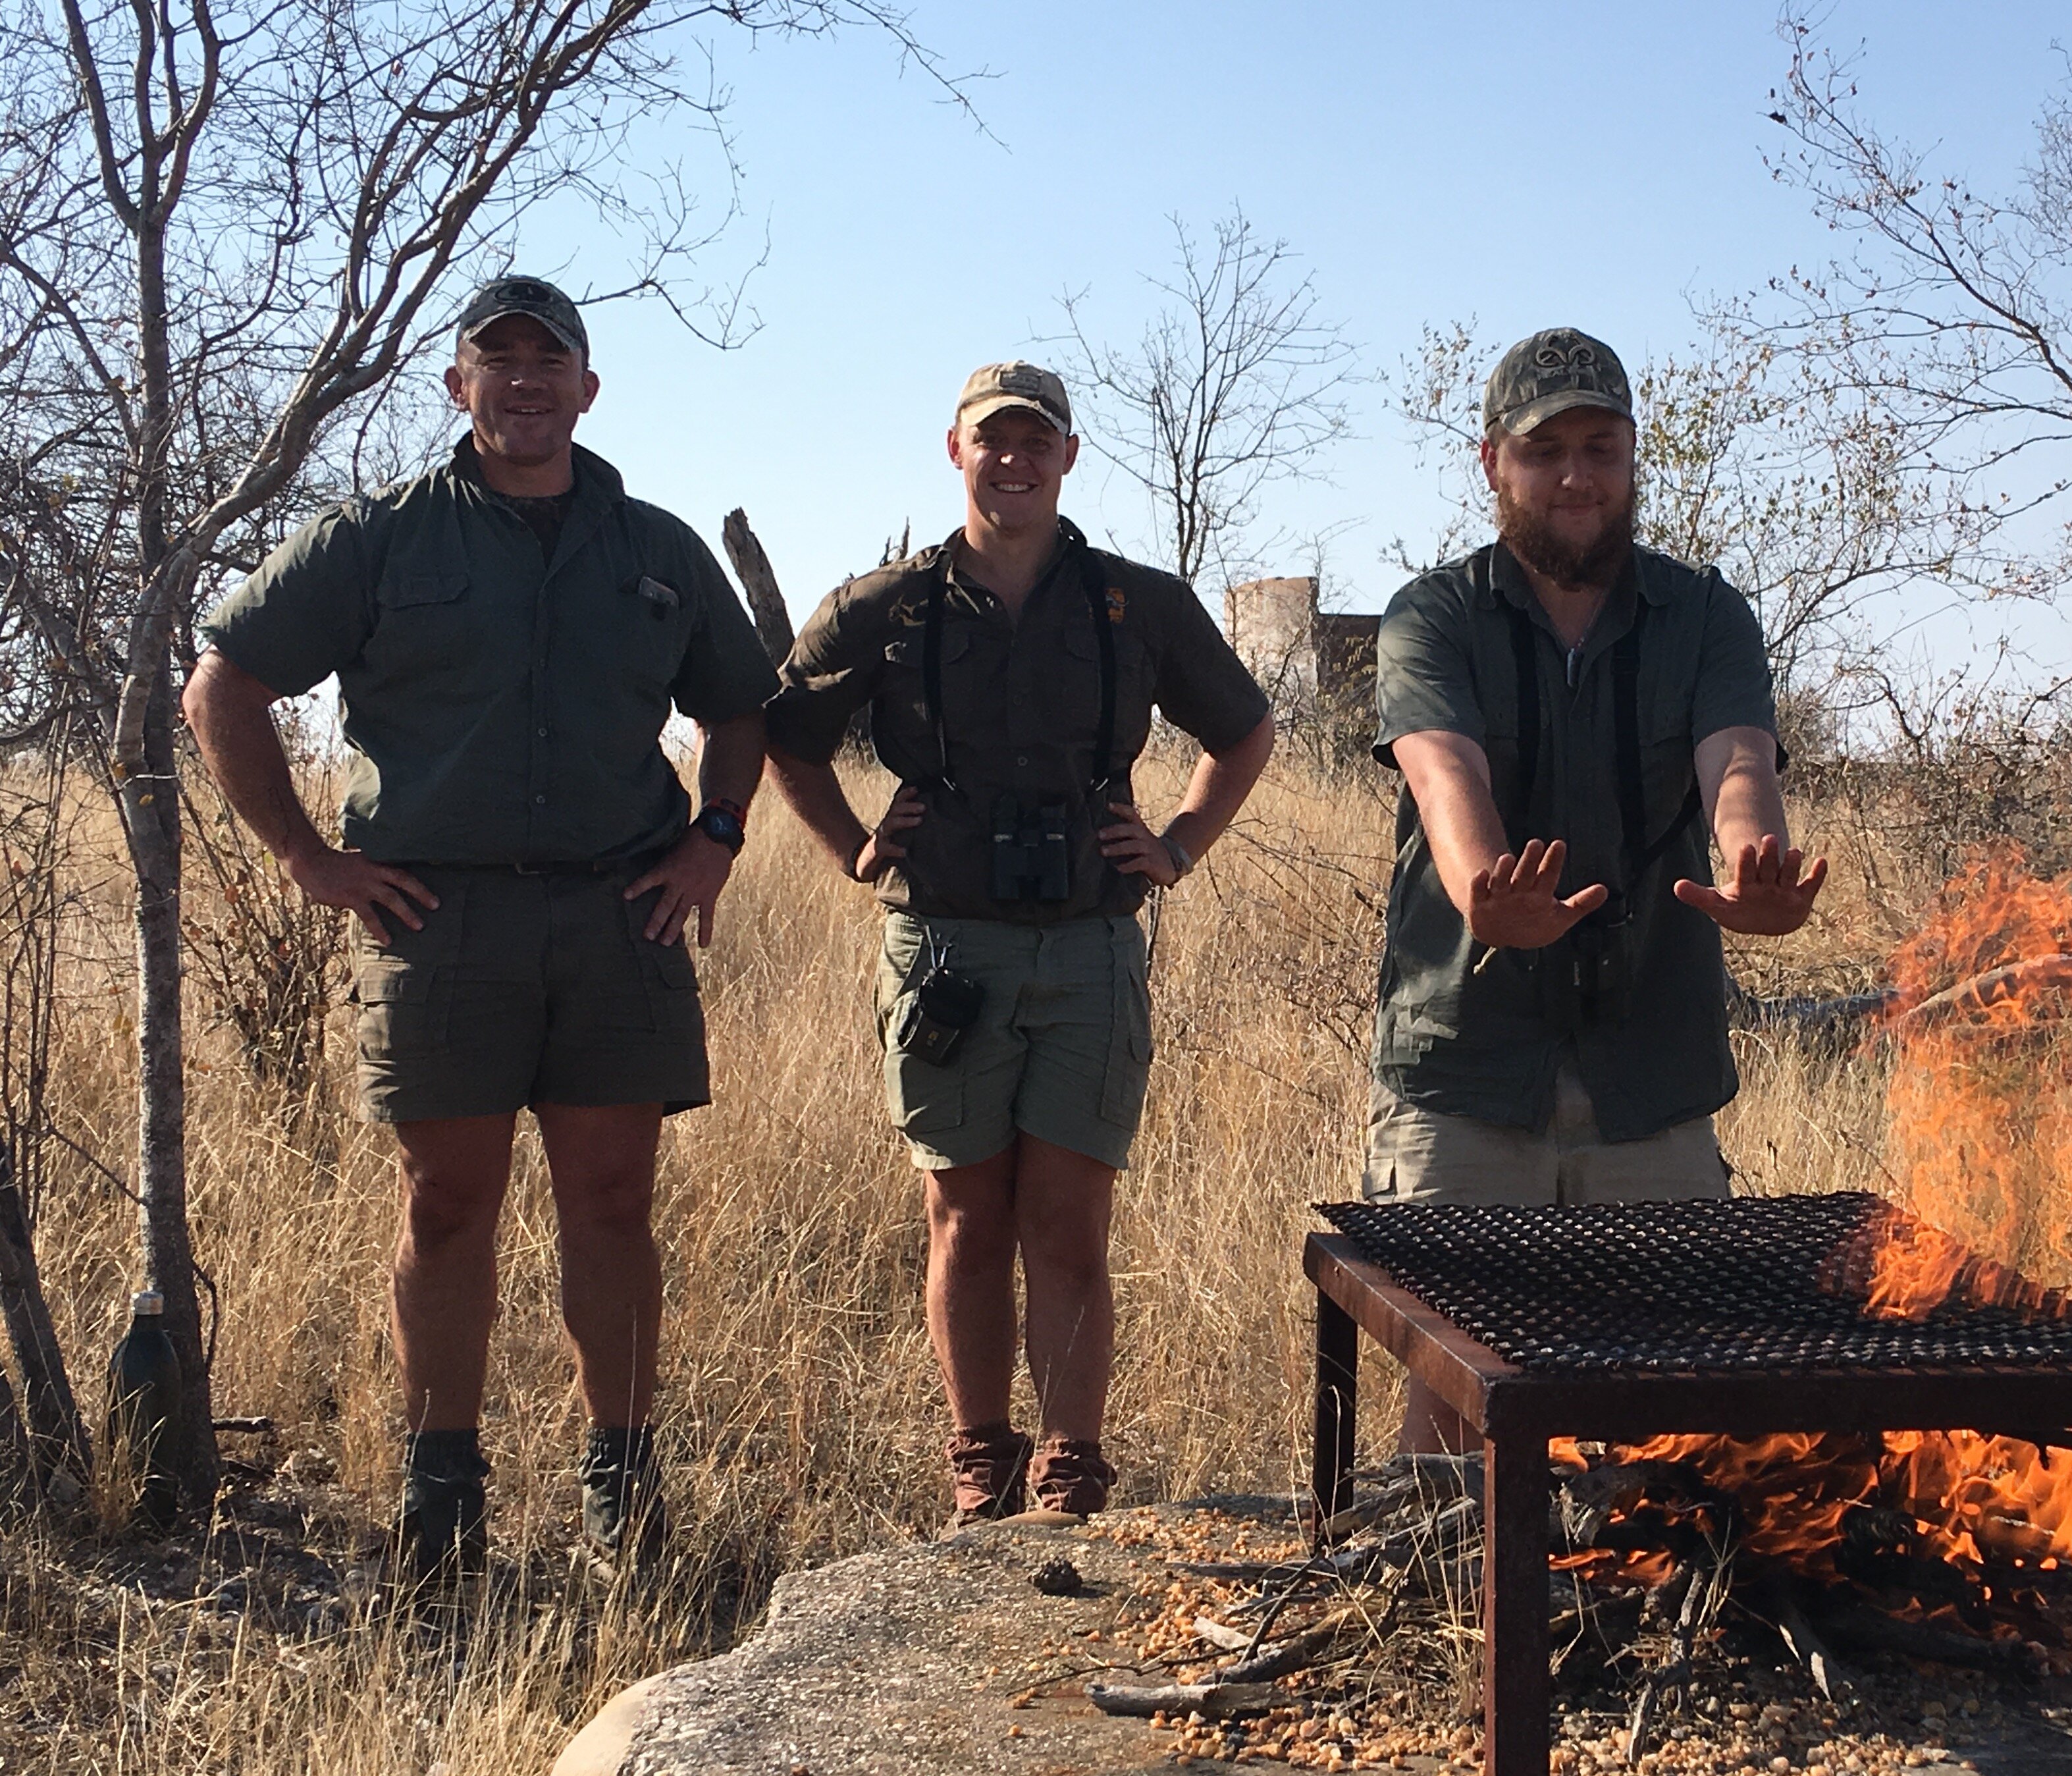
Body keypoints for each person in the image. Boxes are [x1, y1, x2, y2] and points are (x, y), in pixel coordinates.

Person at [185, 275, 774, 1580]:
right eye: (494, 362)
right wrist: (304, 856)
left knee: (613, 1204)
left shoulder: (656, 550)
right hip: (434, 918)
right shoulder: (382, 540)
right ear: (458, 388)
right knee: (446, 1205)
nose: (523, 383)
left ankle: (622, 1486)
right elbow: (222, 682)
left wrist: (714, 837)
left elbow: (742, 705)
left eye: (547, 362)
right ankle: (440, 1491)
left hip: (622, 913)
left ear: (587, 387)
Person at [763, 360, 1274, 1524]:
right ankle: (978, 1456)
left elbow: (1243, 730)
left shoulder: (1132, 603)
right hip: (943, 947)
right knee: (964, 1214)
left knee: (1068, 1219)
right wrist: (854, 843)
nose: (1014, 458)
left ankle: (1072, 1463)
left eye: (1035, 438)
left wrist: (1179, 843)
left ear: (1068, 456)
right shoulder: (888, 605)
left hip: (1090, 944)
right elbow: (781, 730)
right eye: (992, 439)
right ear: (955, 452)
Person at [1367, 327, 1826, 1451]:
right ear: (1493, 464)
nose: (1575, 474)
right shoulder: (1433, 614)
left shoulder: (1705, 614)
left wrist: (1752, 860)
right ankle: (1445, 1612)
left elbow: (1738, 764)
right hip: (1468, 1064)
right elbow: (1444, 765)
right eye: (1545, 450)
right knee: (1454, 1397)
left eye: (1600, 447)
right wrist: (1484, 891)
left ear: (1631, 459)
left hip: (1648, 1075)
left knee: (1662, 1406)